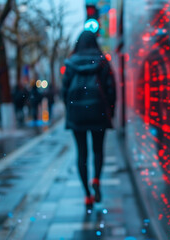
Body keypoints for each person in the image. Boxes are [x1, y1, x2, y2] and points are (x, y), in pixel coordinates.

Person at [62, 30, 116, 207]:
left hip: (77, 115)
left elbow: (64, 91)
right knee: (98, 150)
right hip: (98, 112)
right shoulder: (102, 62)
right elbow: (111, 90)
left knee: (82, 153)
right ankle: (97, 180)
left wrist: (70, 109)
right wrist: (110, 112)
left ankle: (86, 194)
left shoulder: (70, 63)